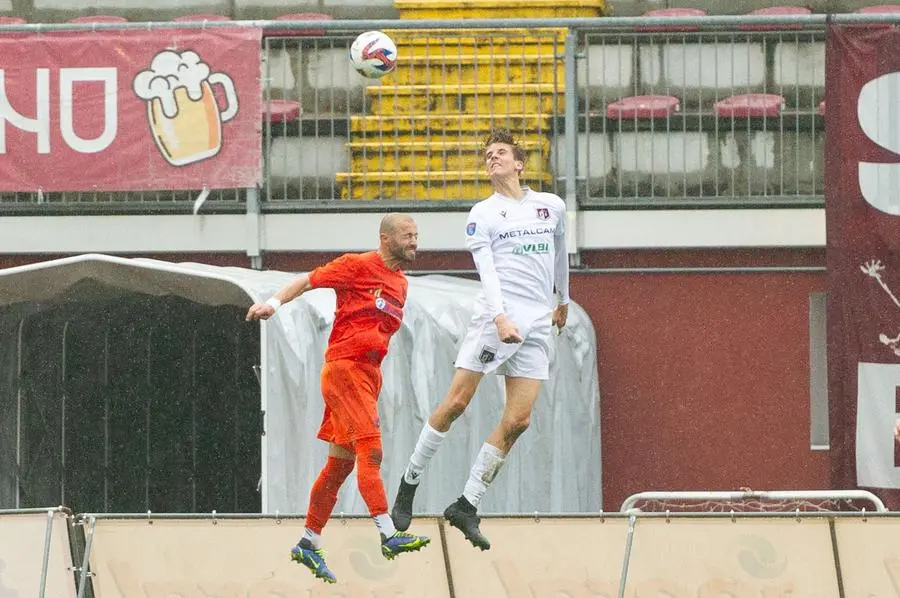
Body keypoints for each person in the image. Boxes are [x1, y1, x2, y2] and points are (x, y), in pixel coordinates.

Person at [390, 128, 570, 550]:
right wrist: (500, 316)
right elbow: (486, 272)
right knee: (456, 403)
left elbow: (561, 251)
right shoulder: (483, 214)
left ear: (519, 163)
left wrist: (563, 297)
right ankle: (409, 483)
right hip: (495, 321)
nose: (493, 159)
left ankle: (466, 504)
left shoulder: (551, 206)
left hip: (538, 323)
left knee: (519, 420)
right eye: (488, 154)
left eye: (501, 153)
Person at [245, 213, 430, 584]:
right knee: (371, 450)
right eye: (408, 236)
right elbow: (307, 281)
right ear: (385, 238)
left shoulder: (400, 284)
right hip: (345, 370)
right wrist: (273, 304)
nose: (415, 242)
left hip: (367, 376)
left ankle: (308, 541)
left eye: (416, 236)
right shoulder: (357, 265)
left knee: (340, 466)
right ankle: (388, 533)